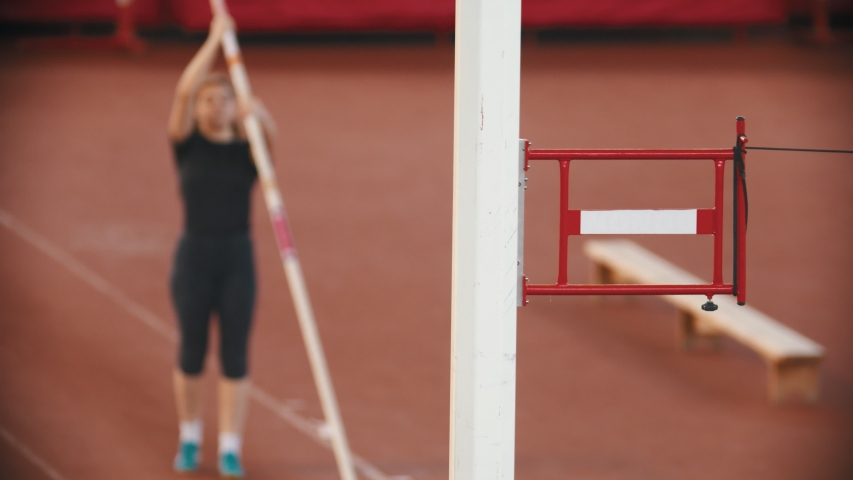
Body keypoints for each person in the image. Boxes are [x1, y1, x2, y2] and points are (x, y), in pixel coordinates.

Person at [166, 14, 275, 478]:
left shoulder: (248, 152)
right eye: (208, 101)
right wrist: (213, 40)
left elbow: (270, 135)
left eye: (222, 101)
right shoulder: (187, 145)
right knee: (191, 350)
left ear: (233, 108)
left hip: (237, 259)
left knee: (234, 355)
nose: (213, 107)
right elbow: (182, 92)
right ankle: (190, 438)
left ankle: (230, 446)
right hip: (193, 258)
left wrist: (258, 111)